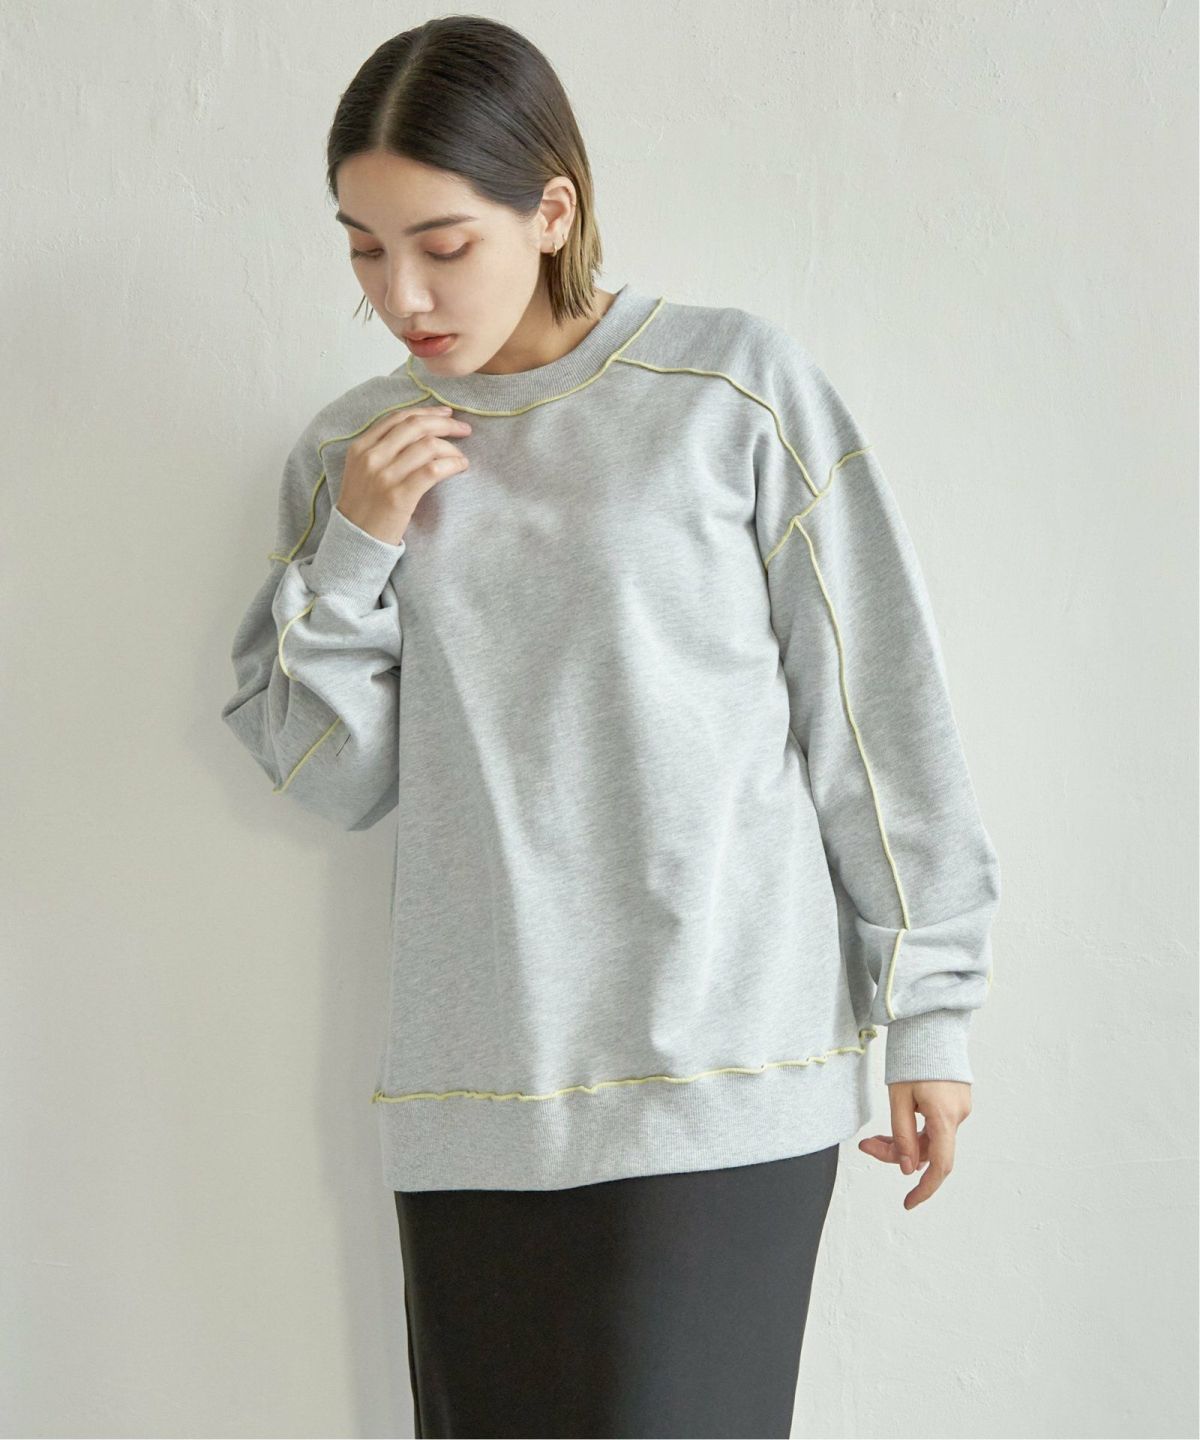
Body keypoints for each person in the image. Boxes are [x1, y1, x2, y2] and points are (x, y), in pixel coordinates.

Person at [219, 15, 1002, 1439]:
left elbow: (876, 711)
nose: (402, 295)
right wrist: (355, 552)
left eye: (443, 244)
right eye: (364, 248)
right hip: (476, 1099)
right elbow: (332, 779)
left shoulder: (727, 387)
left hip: (721, 1072)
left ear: (553, 209)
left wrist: (929, 1013)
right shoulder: (354, 453)